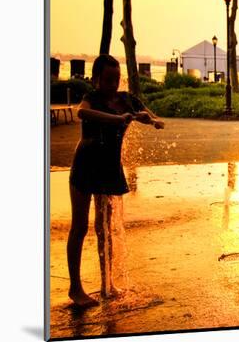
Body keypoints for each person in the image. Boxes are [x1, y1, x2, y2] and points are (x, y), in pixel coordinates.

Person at [67, 54, 165, 308]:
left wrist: (151, 119)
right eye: (108, 79)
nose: (113, 84)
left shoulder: (125, 99)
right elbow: (81, 113)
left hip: (109, 167)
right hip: (85, 164)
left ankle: (106, 283)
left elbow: (147, 112)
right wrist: (117, 119)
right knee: (79, 226)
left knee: (105, 228)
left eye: (116, 78)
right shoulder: (93, 98)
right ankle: (75, 288)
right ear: (96, 78)